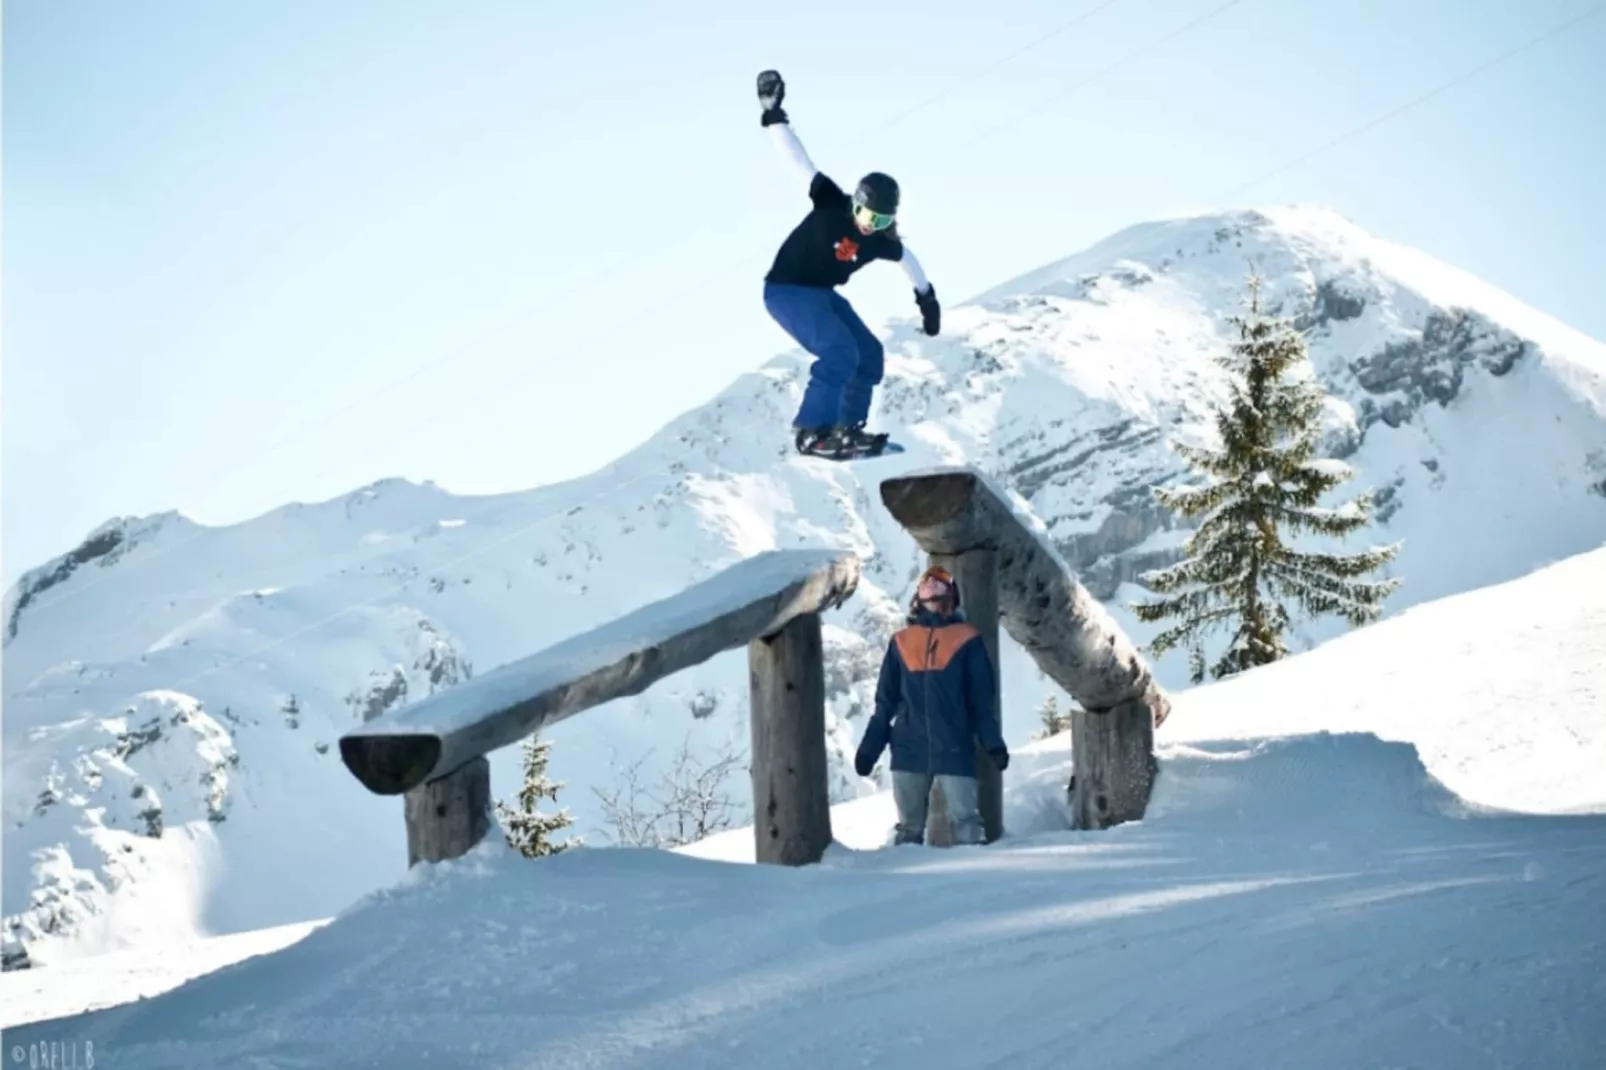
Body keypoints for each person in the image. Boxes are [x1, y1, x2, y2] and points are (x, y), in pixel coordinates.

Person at [755, 69, 942, 459]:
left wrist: (926, 299)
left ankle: (845, 428)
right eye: (866, 216)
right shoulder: (831, 204)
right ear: (855, 203)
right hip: (787, 291)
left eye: (881, 222)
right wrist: (774, 114)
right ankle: (811, 432)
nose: (869, 226)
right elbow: (798, 162)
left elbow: (909, 260)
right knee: (839, 351)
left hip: (821, 295)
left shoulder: (878, 242)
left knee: (868, 353)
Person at [855, 565, 1008, 846]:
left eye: (939, 589)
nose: (932, 595)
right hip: (908, 749)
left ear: (952, 596)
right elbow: (884, 704)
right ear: (918, 597)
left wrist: (993, 743)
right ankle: (908, 888)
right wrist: (869, 749)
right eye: (926, 589)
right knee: (908, 829)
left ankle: (977, 884)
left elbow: (981, 702)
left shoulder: (967, 639)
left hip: (953, 746)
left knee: (966, 823)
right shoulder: (901, 642)